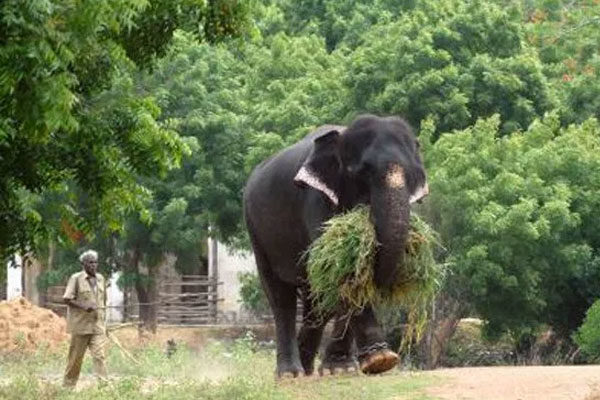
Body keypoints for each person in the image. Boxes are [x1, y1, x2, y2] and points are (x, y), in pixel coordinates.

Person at [62, 250, 108, 387]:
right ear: (83, 264)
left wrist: (105, 324)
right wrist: (84, 306)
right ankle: (68, 387)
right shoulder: (76, 278)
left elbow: (104, 301)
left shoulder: (101, 279)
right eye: (90, 262)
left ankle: (104, 387)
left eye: (95, 262)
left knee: (100, 356)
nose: (94, 265)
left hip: (97, 326)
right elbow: (67, 298)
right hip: (80, 326)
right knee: (76, 359)